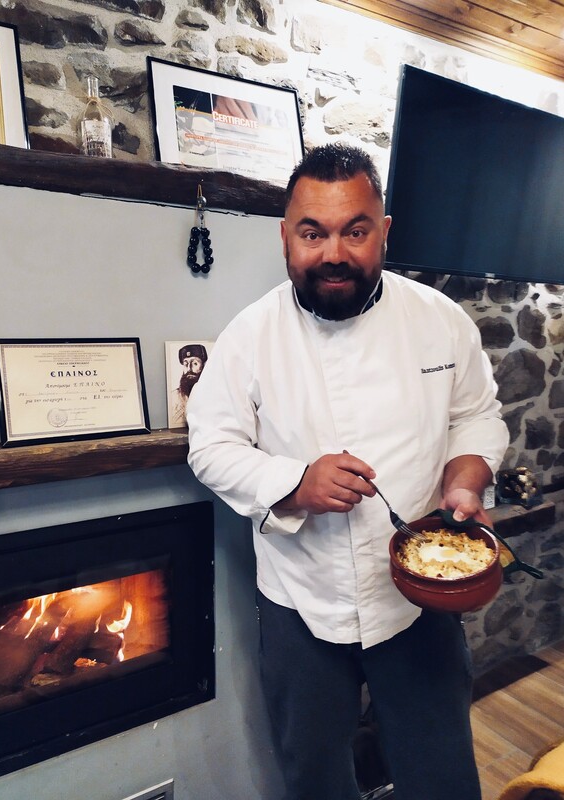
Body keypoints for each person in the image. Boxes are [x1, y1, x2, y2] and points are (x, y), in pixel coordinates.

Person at [187, 143, 509, 800]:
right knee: (314, 779)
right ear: (285, 237)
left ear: (383, 231)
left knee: (442, 775)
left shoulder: (441, 321)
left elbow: (477, 416)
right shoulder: (250, 335)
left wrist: (464, 483)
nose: (334, 253)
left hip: (417, 597)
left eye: (355, 231)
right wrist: (295, 484)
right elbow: (210, 447)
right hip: (300, 600)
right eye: (313, 233)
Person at [168, 344, 208, 427]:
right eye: (186, 364)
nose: (189, 369)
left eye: (195, 363)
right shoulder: (174, 396)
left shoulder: (212, 395)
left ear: (203, 366)